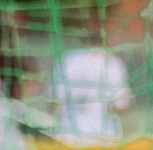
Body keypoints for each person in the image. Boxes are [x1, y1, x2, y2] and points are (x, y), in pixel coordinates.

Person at [52, 14, 133, 142]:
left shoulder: (67, 59)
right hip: (104, 138)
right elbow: (122, 105)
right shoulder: (113, 63)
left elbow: (53, 102)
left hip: (69, 137)